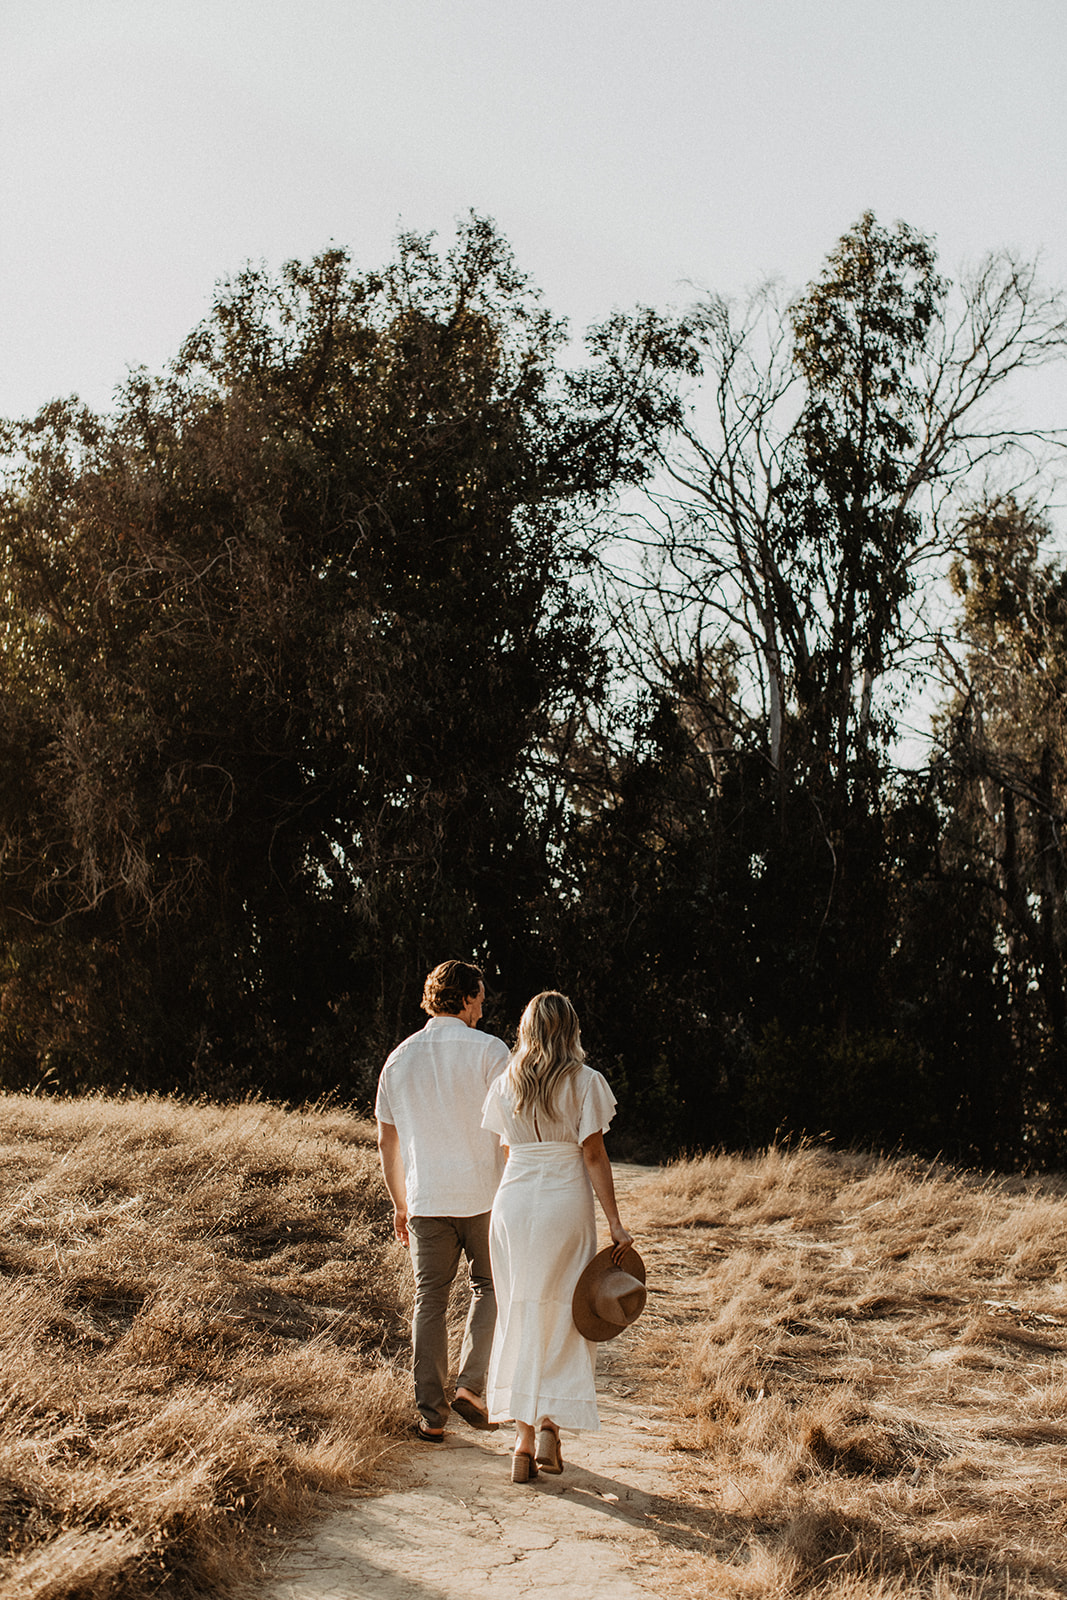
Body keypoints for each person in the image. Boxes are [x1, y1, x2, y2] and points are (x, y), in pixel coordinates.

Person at [480, 990, 634, 1482]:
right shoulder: (586, 1082)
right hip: (563, 1202)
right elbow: (593, 1154)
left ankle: (522, 1442)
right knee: (568, 1311)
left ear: (525, 1030)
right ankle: (550, 1426)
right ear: (570, 1030)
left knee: (520, 1310)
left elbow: (508, 1151)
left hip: (514, 1204)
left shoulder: (505, 1083)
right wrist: (615, 1223)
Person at [376, 960, 509, 1441]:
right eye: (481, 999)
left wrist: (400, 1203)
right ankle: (471, 1386)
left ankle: (431, 1417)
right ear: (467, 998)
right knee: (491, 1287)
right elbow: (512, 1129)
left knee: (429, 1299)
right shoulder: (492, 1051)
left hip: (426, 1199)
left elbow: (387, 1141)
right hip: (485, 1195)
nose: (483, 1009)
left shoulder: (399, 1058)